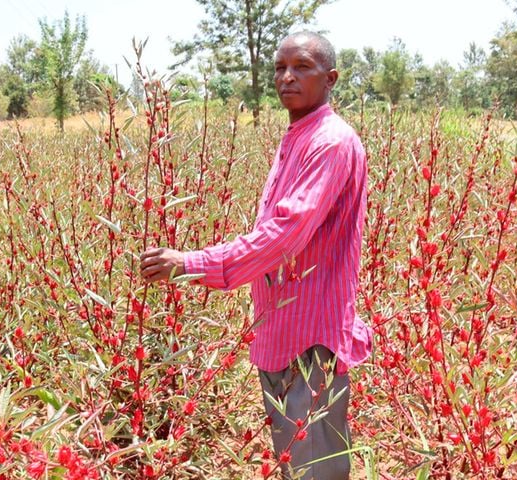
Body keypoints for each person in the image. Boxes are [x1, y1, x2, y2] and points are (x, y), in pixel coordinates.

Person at [140, 31, 371, 479]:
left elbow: (283, 236)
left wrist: (191, 265)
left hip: (311, 342)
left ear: (331, 78)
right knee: (295, 464)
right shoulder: (298, 138)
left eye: (302, 66)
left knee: (314, 469)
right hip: (283, 335)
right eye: (280, 68)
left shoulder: (330, 142)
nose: (287, 77)